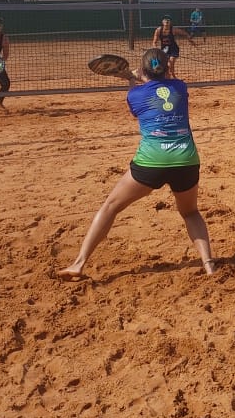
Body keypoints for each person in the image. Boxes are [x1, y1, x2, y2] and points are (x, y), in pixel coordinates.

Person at [57, 48, 216, 280]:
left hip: (151, 162)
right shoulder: (181, 87)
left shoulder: (134, 95)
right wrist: (137, 76)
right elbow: (162, 84)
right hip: (186, 160)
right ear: (166, 68)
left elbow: (139, 99)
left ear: (142, 70)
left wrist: (131, 78)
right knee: (191, 212)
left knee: (110, 207)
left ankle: (78, 264)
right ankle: (209, 266)